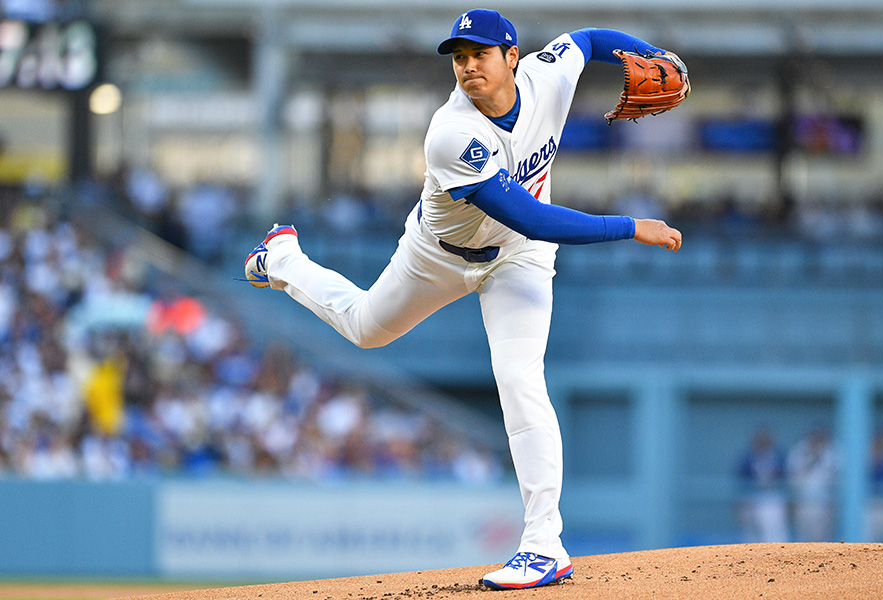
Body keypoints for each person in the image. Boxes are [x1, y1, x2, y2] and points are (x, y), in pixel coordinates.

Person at [244, 9, 683, 590]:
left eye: (479, 53)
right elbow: (530, 214)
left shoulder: (548, 76)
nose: (468, 66)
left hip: (519, 258)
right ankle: (283, 260)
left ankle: (542, 544)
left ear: (512, 57)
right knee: (367, 328)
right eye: (459, 56)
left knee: (521, 380)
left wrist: (653, 54)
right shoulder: (451, 133)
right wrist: (630, 227)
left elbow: (588, 40)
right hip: (439, 254)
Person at [735, 428, 790, 543]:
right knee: (751, 535)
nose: (762, 442)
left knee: (774, 532)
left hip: (772, 497)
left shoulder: (778, 457)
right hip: (752, 497)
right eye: (760, 439)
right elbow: (740, 480)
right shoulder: (747, 458)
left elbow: (786, 478)